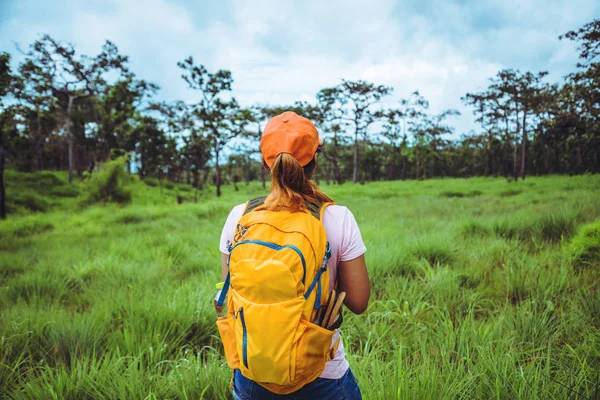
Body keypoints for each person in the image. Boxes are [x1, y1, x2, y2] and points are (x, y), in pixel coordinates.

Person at [218, 111, 370, 400]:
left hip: (252, 370)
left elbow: (233, 289)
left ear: (266, 163)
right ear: (314, 160)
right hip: (322, 374)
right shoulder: (338, 218)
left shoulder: (240, 216)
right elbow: (359, 302)